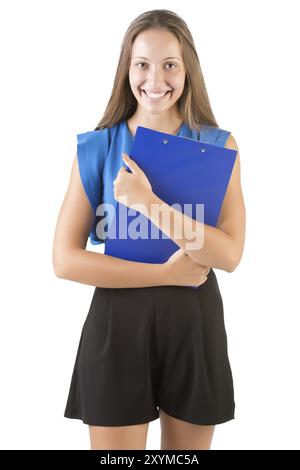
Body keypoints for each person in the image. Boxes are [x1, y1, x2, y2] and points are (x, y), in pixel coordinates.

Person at [52, 9, 246, 450]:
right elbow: (65, 260)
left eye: (169, 64)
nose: (155, 78)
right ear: (127, 69)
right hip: (116, 322)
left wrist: (148, 203)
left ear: (187, 69)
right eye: (142, 64)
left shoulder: (217, 145)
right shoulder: (98, 146)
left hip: (193, 322)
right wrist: (165, 274)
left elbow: (229, 254)